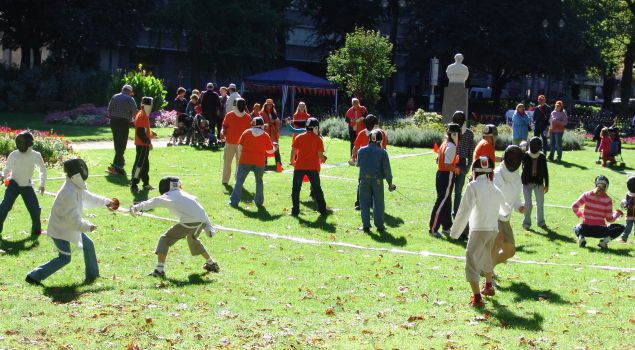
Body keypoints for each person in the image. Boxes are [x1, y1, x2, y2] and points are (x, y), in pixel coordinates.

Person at [26, 158, 118, 286]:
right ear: (76, 172)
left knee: (88, 245)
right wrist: (88, 226)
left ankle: (93, 275)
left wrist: (107, 202)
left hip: (68, 227)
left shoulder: (75, 185)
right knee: (64, 258)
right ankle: (34, 276)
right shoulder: (68, 192)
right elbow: (73, 220)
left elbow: (88, 197)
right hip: (60, 230)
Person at [131, 176, 219, 278]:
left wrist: (138, 207)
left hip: (189, 222)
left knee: (165, 239)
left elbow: (154, 201)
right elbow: (201, 211)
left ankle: (159, 270)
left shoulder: (170, 196)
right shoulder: (188, 195)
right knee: (192, 239)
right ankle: (211, 263)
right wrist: (208, 226)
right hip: (201, 222)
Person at [450, 156, 507, 308]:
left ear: (475, 171)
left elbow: (463, 211)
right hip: (492, 230)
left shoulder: (472, 186)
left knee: (472, 260)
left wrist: (455, 232)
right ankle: (488, 285)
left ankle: (477, 298)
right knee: (487, 256)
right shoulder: (495, 188)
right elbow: (505, 209)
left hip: (478, 229)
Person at [0, 131, 46, 238]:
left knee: (35, 209)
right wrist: (3, 175)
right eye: (18, 142)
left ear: (29, 143)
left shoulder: (36, 155)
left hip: (27, 186)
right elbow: (7, 169)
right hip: (13, 185)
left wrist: (42, 184)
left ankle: (36, 230)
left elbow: (42, 170)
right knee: (4, 207)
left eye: (22, 142)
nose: (19, 145)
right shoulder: (14, 154)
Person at [492, 145, 525, 283]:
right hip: (493, 216)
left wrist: (520, 206)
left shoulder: (517, 177)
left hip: (505, 218)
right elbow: (491, 197)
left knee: (510, 250)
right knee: (497, 244)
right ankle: (488, 278)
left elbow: (516, 196)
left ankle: (486, 266)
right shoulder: (496, 174)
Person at [229, 117, 276, 208]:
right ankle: (259, 202)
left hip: (245, 160)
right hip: (259, 162)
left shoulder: (246, 133)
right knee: (259, 181)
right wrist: (275, 148)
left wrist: (239, 159)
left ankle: (234, 202)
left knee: (239, 181)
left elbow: (240, 147)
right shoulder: (265, 135)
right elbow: (270, 151)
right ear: (261, 125)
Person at [357, 129, 396, 232]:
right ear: (380, 140)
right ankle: (379, 226)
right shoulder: (383, 153)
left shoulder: (361, 150)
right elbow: (387, 170)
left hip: (364, 180)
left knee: (364, 203)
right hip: (377, 181)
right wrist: (390, 183)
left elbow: (358, 164)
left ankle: (366, 225)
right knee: (378, 203)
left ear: (369, 139)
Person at [572, 175, 624, 249]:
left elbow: (574, 207)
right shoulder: (608, 200)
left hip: (585, 229)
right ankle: (604, 242)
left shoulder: (586, 195)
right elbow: (609, 219)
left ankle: (581, 238)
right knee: (621, 227)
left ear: (596, 184)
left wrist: (581, 214)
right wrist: (617, 214)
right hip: (600, 231)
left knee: (576, 227)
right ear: (606, 186)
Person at [290, 118, 327, 216]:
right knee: (317, 189)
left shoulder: (299, 137)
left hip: (299, 166)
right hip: (313, 168)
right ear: (315, 127)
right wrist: (323, 158)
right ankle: (323, 210)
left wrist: (292, 161)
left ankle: (295, 211)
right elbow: (320, 156)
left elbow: (293, 150)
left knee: (296, 189)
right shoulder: (318, 139)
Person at [429, 123, 461, 238]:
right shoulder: (451, 146)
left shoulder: (445, 143)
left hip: (441, 175)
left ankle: (446, 227)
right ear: (455, 134)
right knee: (442, 201)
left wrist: (453, 163)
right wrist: (456, 169)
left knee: (446, 201)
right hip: (446, 175)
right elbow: (447, 165)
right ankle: (433, 229)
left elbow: (439, 160)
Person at [349, 114, 387, 210]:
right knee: (376, 184)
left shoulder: (362, 133)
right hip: (377, 164)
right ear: (375, 124)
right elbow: (384, 149)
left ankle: (359, 203)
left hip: (365, 163)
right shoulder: (381, 133)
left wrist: (353, 157)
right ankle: (374, 204)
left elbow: (355, 148)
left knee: (362, 183)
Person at [107, 84, 137, 176]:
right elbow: (135, 112)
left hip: (114, 121)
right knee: (122, 144)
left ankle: (118, 164)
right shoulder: (129, 99)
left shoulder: (114, 97)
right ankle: (117, 166)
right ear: (129, 91)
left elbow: (109, 110)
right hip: (123, 122)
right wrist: (136, 123)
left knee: (117, 143)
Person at [221, 98, 252, 185]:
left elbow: (249, 132)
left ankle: (238, 180)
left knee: (240, 164)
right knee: (227, 162)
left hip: (241, 144)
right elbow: (224, 126)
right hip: (230, 142)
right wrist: (222, 132)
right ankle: (225, 180)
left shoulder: (247, 117)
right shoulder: (229, 115)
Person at [521, 137, 549, 230]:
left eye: (537, 145)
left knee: (540, 203)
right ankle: (526, 224)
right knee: (528, 204)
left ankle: (541, 222)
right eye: (533, 144)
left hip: (538, 183)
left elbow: (545, 171)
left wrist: (547, 184)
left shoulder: (542, 157)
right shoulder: (525, 155)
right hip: (526, 183)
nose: (535, 146)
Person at [451, 111, 475, 218]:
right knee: (451, 190)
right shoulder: (451, 130)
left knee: (457, 191)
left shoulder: (469, 133)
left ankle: (455, 212)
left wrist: (468, 167)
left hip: (461, 162)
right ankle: (450, 211)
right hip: (451, 162)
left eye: (458, 120)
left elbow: (471, 152)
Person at [131, 97, 156, 192]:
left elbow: (143, 131)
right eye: (151, 104)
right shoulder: (142, 115)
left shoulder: (143, 114)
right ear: (146, 105)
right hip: (142, 145)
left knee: (145, 165)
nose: (152, 106)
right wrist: (148, 143)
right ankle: (134, 183)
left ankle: (146, 183)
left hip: (143, 145)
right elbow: (140, 133)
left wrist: (150, 135)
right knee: (139, 164)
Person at [260, 99, 282, 172]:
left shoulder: (274, 113)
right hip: (265, 133)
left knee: (276, 148)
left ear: (272, 105)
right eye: (268, 104)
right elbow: (260, 123)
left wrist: (275, 122)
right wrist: (267, 123)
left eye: (270, 105)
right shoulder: (262, 113)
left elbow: (278, 122)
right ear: (265, 105)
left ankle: (278, 163)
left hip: (273, 134)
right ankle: (264, 162)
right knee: (264, 148)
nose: (269, 106)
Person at [619, 176, 635, 243]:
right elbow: (626, 203)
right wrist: (625, 205)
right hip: (629, 214)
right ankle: (623, 239)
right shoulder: (628, 194)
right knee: (627, 227)